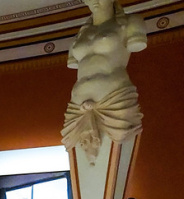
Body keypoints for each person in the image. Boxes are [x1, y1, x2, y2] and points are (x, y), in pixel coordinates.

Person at [61, 0, 146, 164]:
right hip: (77, 107)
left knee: (115, 153)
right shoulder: (79, 36)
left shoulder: (131, 23)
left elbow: (137, 44)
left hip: (114, 100)